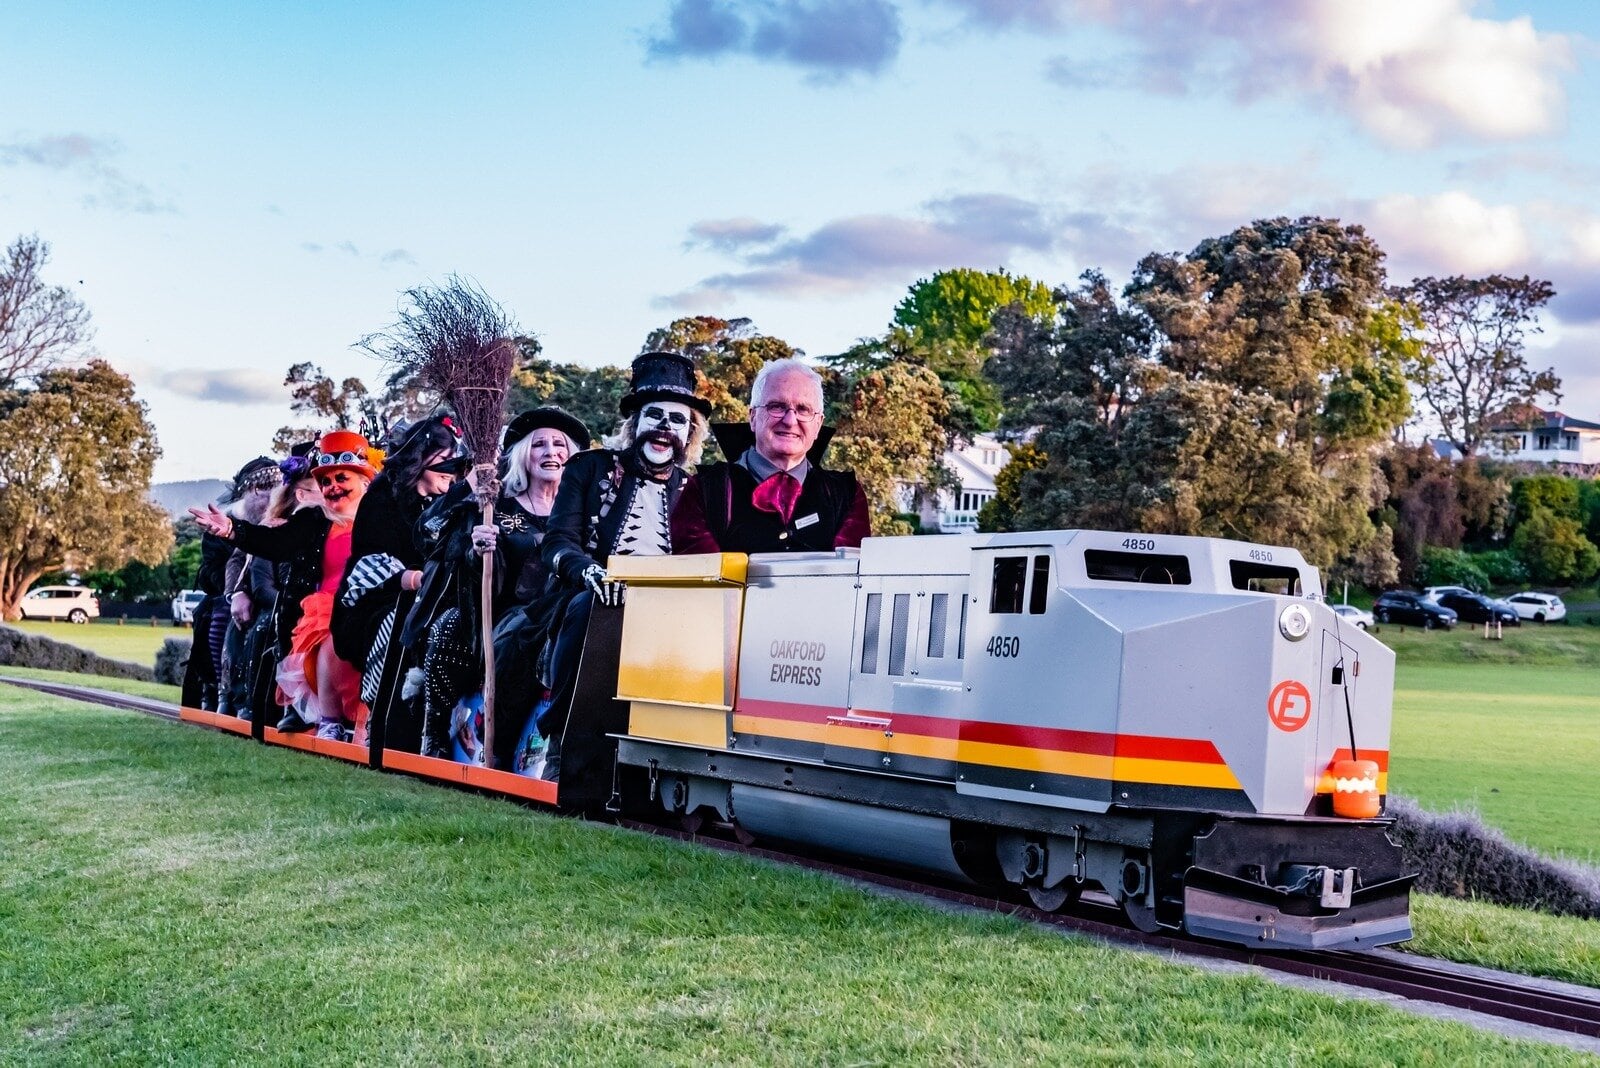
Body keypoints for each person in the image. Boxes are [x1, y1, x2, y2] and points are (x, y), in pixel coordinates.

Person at [537, 352, 711, 780]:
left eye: (677, 419)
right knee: (591, 611)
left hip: (670, 606)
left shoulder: (697, 490)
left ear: (690, 433)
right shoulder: (589, 468)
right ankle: (561, 743)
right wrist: (590, 573)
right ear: (635, 423)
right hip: (591, 593)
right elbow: (558, 542)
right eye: (655, 416)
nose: (665, 428)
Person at [408, 406, 591, 763]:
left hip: (564, 612)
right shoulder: (496, 505)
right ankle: (436, 732)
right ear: (524, 455)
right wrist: (475, 544)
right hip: (503, 615)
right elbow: (428, 535)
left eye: (559, 444)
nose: (550, 452)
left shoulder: (583, 513)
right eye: (539, 444)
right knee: (448, 626)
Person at [190, 429, 381, 740]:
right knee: (331, 635)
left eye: (341, 479)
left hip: (372, 609)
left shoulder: (382, 521)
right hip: (324, 608)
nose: (333, 488)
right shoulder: (314, 521)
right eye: (326, 482)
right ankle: (329, 723)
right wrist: (231, 531)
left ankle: (366, 728)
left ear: (365, 481)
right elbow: (275, 542)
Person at [330, 415, 469, 750]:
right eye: (443, 463)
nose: (449, 475)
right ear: (421, 457)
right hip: (373, 601)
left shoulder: (452, 501)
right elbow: (370, 563)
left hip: (436, 596)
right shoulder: (381, 499)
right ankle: (389, 722)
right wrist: (413, 579)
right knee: (404, 621)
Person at [671, 357, 870, 554]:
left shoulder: (847, 494)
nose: (790, 420)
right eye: (777, 406)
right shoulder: (703, 491)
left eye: (803, 409)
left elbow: (849, 575)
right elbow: (706, 579)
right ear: (753, 417)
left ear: (818, 424)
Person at [215, 457, 283, 717]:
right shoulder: (245, 525)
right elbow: (237, 560)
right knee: (232, 620)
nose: (265, 496)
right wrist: (237, 593)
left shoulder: (292, 516)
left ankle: (255, 700)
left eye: (271, 488)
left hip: (283, 587)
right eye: (259, 489)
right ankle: (229, 693)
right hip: (254, 587)